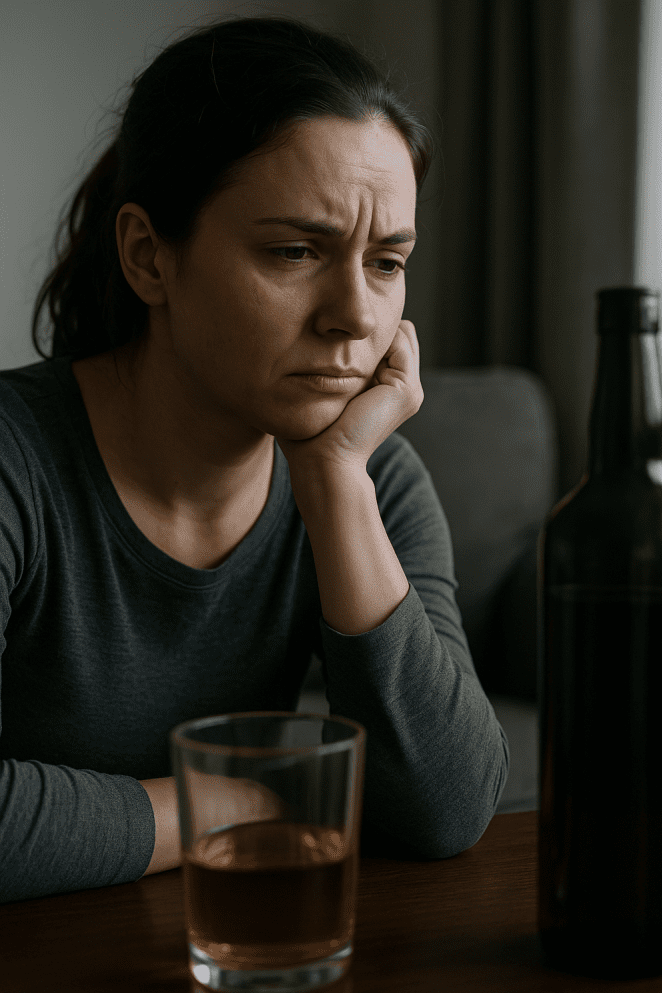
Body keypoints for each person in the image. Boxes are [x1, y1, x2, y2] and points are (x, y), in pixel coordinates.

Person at [0, 15, 509, 903]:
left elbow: (448, 806)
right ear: (148, 256)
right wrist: (244, 797)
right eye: (294, 251)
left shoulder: (374, 477)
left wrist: (334, 482)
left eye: (387, 262)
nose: (354, 314)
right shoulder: (17, 463)